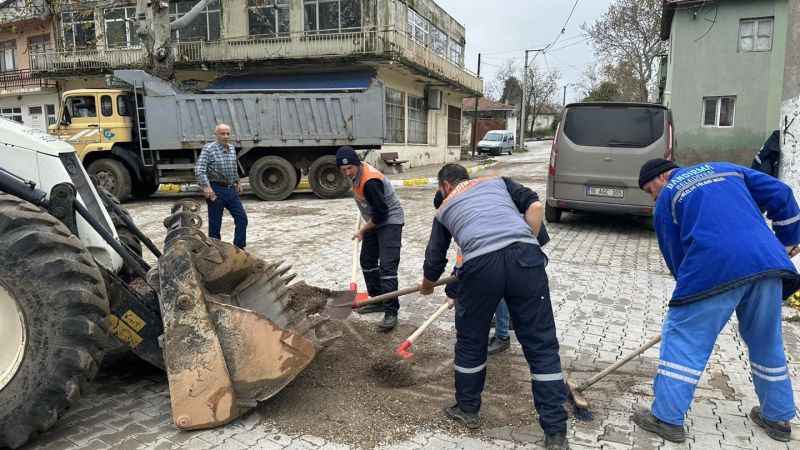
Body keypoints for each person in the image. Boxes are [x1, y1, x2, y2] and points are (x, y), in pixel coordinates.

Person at [633, 159, 799, 443]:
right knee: (766, 340)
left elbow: (674, 254)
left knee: (684, 340)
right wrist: (787, 242)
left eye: (651, 189)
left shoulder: (668, 197)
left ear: (663, 175)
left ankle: (666, 418)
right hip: (768, 265)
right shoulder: (727, 169)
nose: (654, 196)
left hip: (712, 269)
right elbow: (782, 193)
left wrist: (689, 294)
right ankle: (778, 417)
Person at [420, 164, 568, 450]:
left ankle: (467, 410)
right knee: (541, 346)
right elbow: (536, 206)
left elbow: (435, 258)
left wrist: (427, 285)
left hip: (481, 267)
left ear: (445, 187)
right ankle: (555, 433)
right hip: (526, 259)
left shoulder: (445, 207)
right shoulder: (499, 183)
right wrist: (528, 248)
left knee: (471, 341)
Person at [337, 146, 405, 331]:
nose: (347, 172)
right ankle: (377, 299)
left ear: (357, 164)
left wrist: (362, 230)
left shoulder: (370, 181)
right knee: (367, 260)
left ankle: (391, 311)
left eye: (350, 168)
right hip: (374, 220)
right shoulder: (356, 176)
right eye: (343, 170)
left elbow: (382, 214)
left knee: (387, 267)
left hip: (389, 220)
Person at [195, 123, 248, 249]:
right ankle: (215, 250)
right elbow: (199, 169)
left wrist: (237, 181)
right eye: (222, 133)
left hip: (230, 189)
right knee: (215, 224)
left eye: (228, 133)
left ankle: (238, 248)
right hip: (215, 189)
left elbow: (233, 167)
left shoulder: (231, 148)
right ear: (216, 135)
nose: (225, 136)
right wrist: (206, 187)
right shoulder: (209, 149)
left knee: (242, 219)